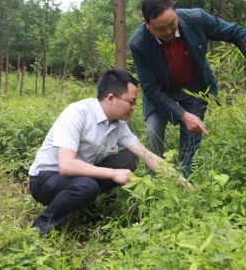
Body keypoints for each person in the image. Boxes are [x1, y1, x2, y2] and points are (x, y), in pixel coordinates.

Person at [128, 0, 246, 177]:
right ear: (146, 23)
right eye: (160, 29)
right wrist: (182, 115)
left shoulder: (195, 18)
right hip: (161, 92)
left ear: (175, 12)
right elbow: (150, 89)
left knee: (191, 139)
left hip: (194, 88)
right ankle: (154, 182)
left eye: (171, 24)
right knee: (153, 131)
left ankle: (184, 181)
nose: (167, 32)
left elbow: (235, 32)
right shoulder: (138, 43)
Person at [28, 68, 190, 235]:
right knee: (87, 185)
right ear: (111, 98)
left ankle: (86, 206)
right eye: (131, 101)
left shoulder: (118, 125)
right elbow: (66, 165)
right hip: (45, 179)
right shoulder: (77, 113)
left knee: (128, 158)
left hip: (78, 178)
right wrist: (113, 173)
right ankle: (39, 229)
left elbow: (147, 155)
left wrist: (180, 179)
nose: (134, 108)